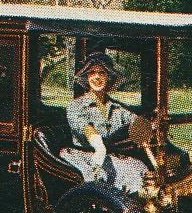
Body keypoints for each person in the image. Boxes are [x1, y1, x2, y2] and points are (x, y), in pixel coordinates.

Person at [63, 53, 147, 193]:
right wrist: (99, 146)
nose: (97, 77)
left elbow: (135, 121)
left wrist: (148, 126)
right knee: (102, 180)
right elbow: (85, 127)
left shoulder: (116, 107)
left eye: (102, 73)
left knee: (140, 169)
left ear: (109, 77)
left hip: (110, 156)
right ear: (87, 77)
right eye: (92, 72)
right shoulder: (76, 106)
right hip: (85, 156)